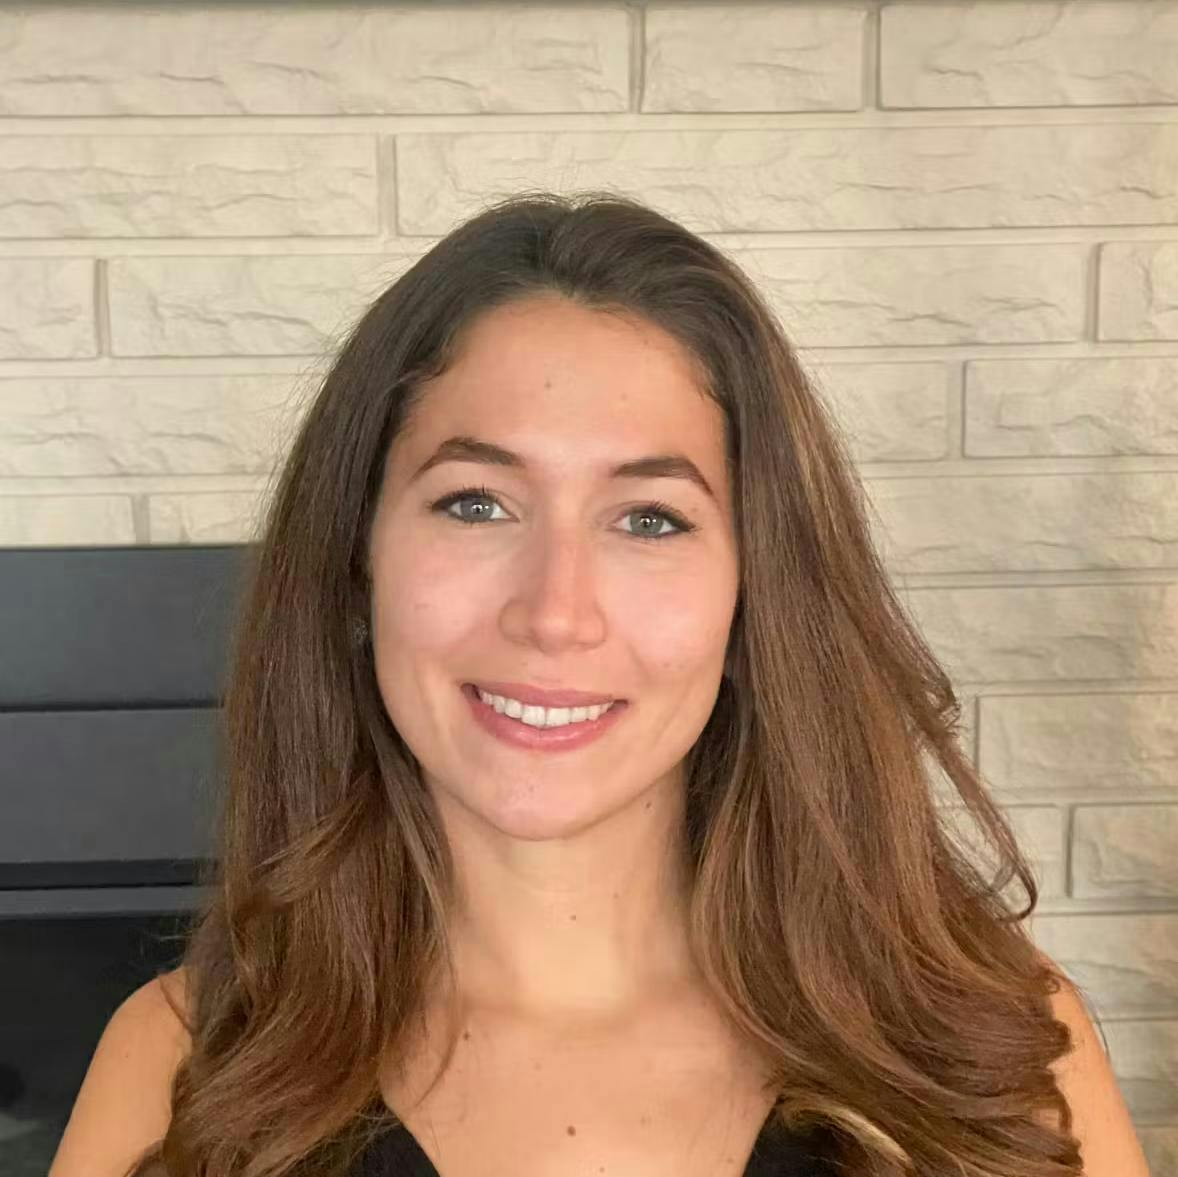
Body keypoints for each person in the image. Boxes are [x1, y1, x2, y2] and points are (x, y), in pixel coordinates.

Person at [49, 191, 1149, 1177]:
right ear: (356, 560)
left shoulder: (988, 1055)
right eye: (475, 502)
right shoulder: (187, 1068)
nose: (555, 612)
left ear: (751, 597)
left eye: (648, 518)